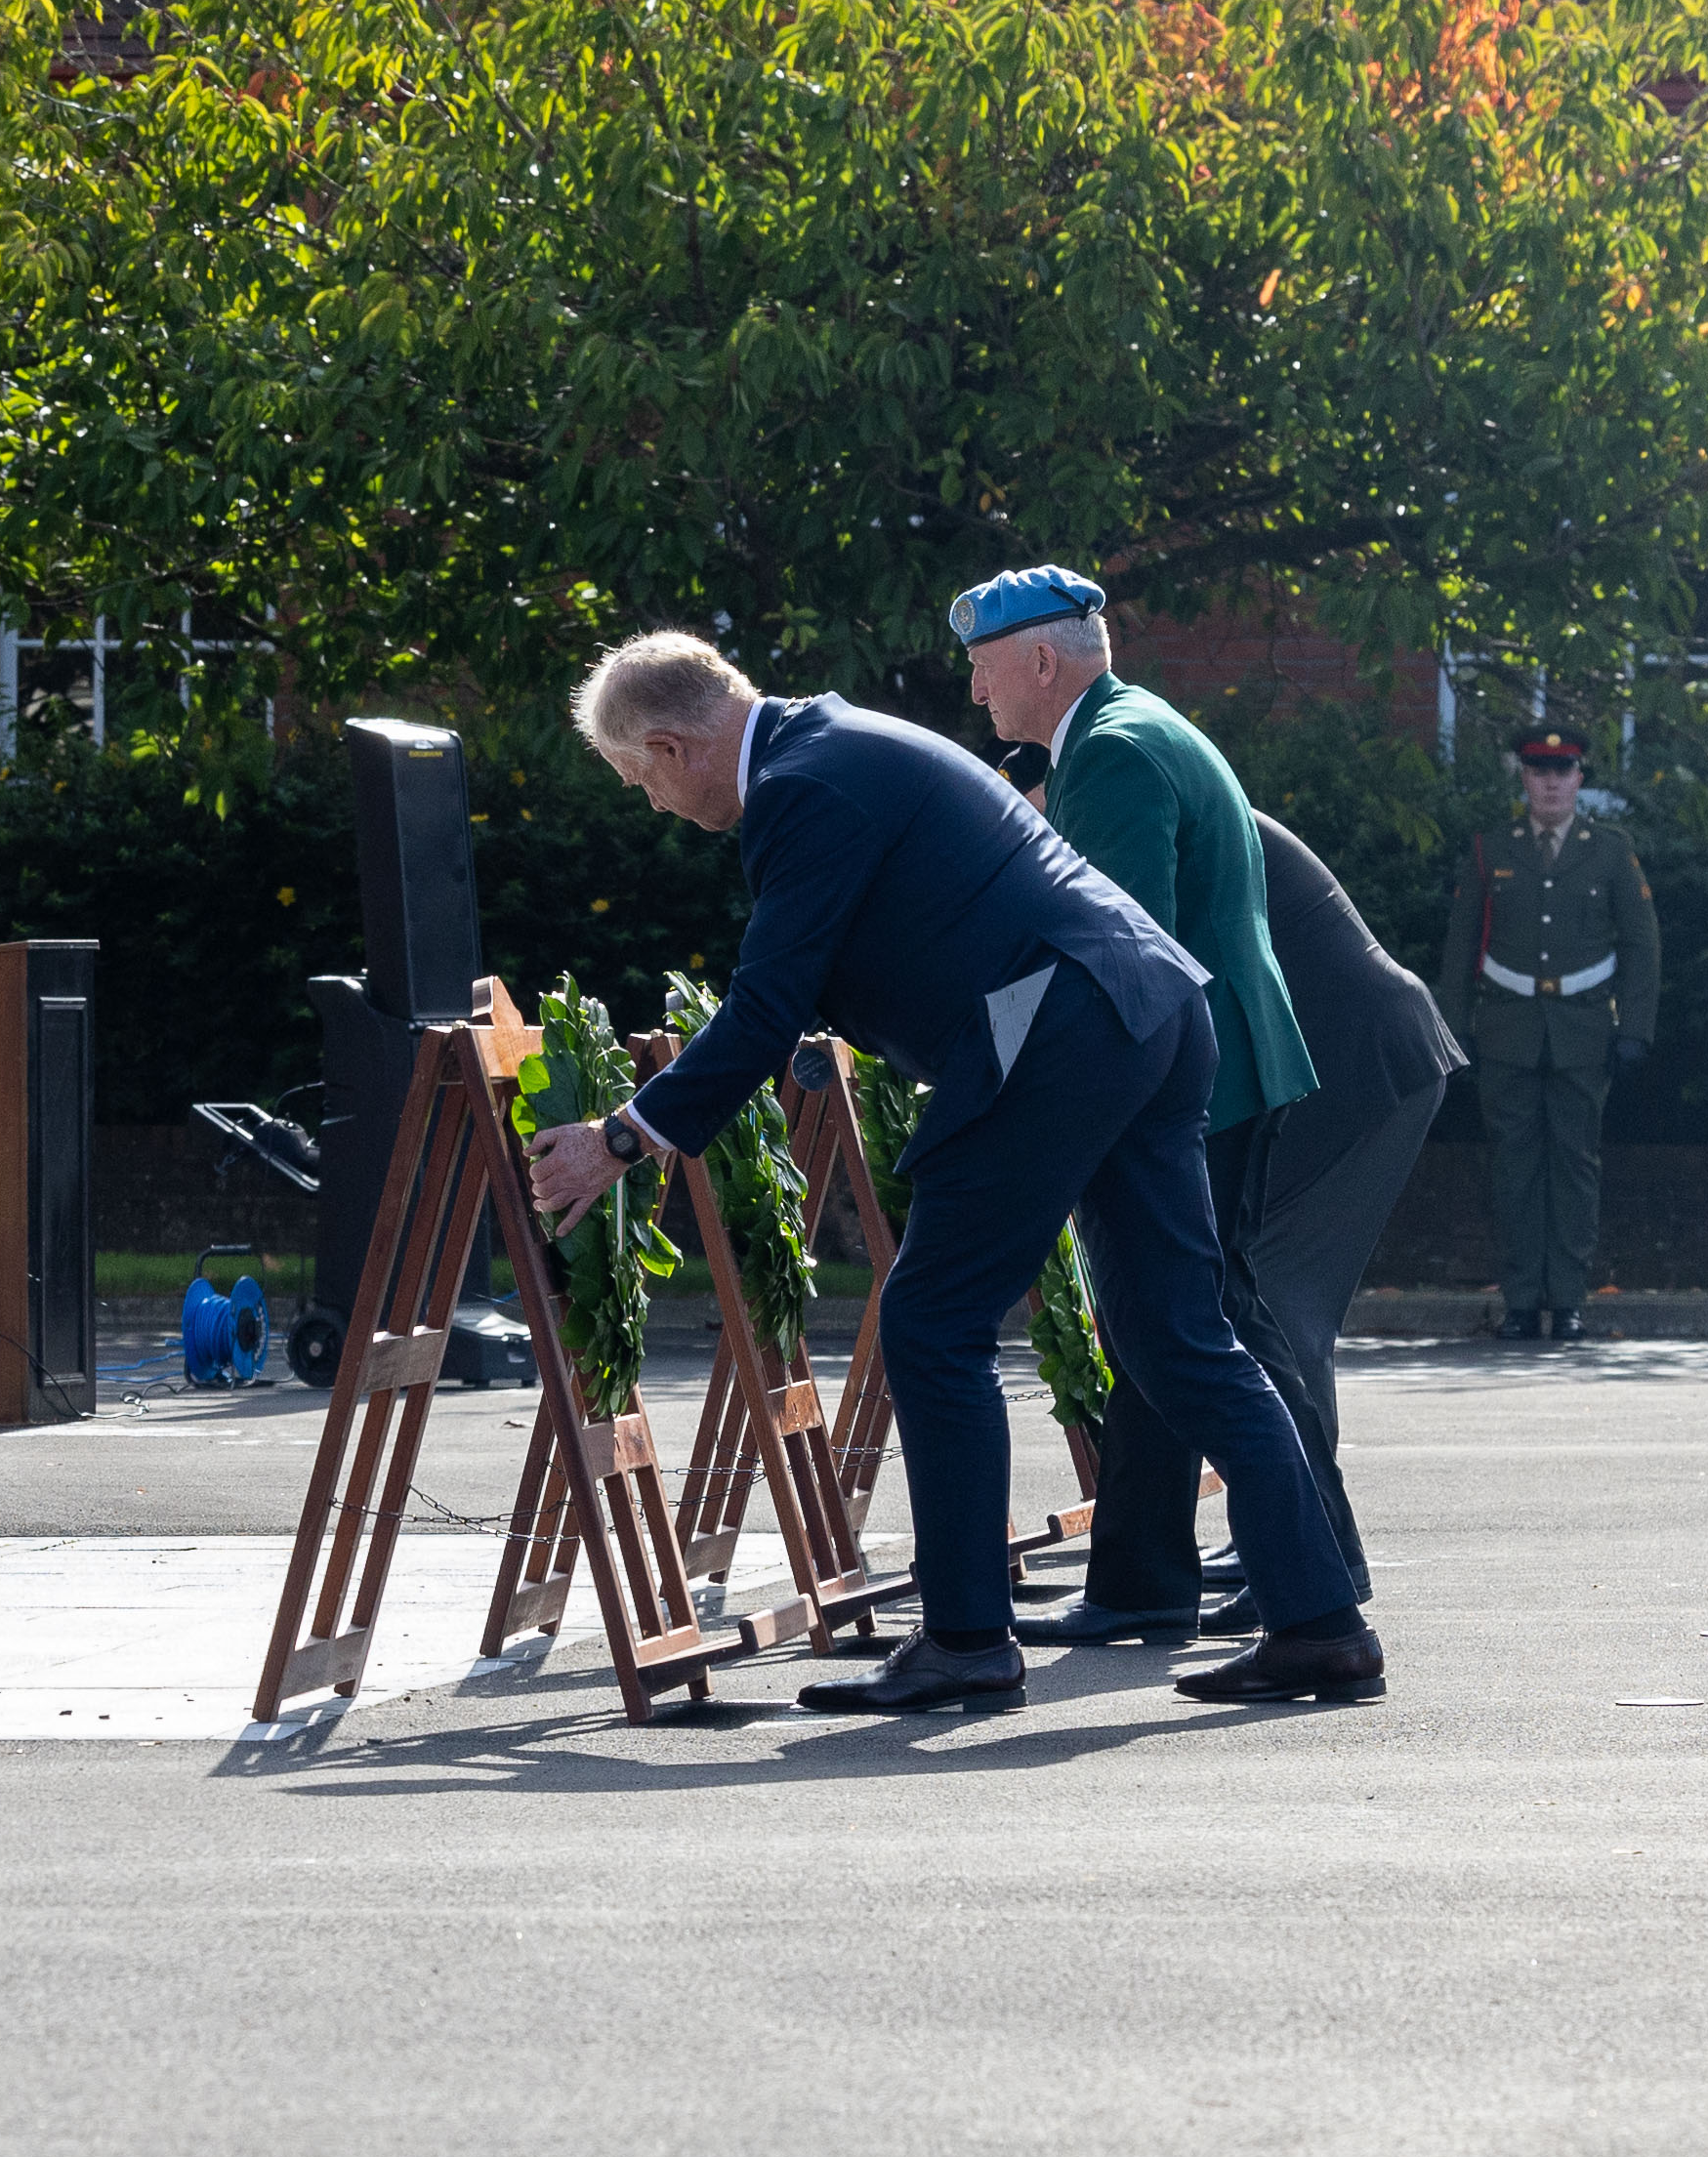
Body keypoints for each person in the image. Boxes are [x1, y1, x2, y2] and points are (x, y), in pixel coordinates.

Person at [528, 631, 1371, 1718]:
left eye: (641, 779)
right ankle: (1320, 1624)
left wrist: (624, 1136)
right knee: (1178, 1334)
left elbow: (765, 1000)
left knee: (933, 1321)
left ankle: (967, 1638)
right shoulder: (834, 745)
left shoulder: (801, 786)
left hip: (1062, 1027)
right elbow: (886, 943)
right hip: (1147, 1007)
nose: (651, 804)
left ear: (674, 744)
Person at [945, 565, 1318, 1646]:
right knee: (1169, 1329)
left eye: (983, 668)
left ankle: (1311, 1558)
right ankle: (1145, 1576)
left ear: (1042, 661)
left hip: (1192, 1075)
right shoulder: (1129, 724)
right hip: (1232, 1056)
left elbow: (1118, 955)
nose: (978, 693)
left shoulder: (1105, 752)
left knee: (1199, 1330)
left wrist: (1007, 1069)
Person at [1194, 813, 1457, 1616]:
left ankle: (1304, 1551)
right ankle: (1279, 1536)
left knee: (1276, 1301)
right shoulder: (1161, 783)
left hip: (1358, 1062)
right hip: (1352, 1057)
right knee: (1274, 1300)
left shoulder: (1126, 791)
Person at [1444, 726, 1654, 1341]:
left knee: (1574, 1164)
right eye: (1541, 770)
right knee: (1512, 1168)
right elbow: (1461, 950)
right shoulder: (1491, 849)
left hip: (1584, 1031)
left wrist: (1636, 1026)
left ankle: (1567, 1299)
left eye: (1564, 770)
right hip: (1507, 1029)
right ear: (1525, 778)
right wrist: (1455, 1032)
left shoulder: (1612, 851)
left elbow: (1642, 944)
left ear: (1581, 778)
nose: (1553, 782)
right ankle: (1519, 1299)